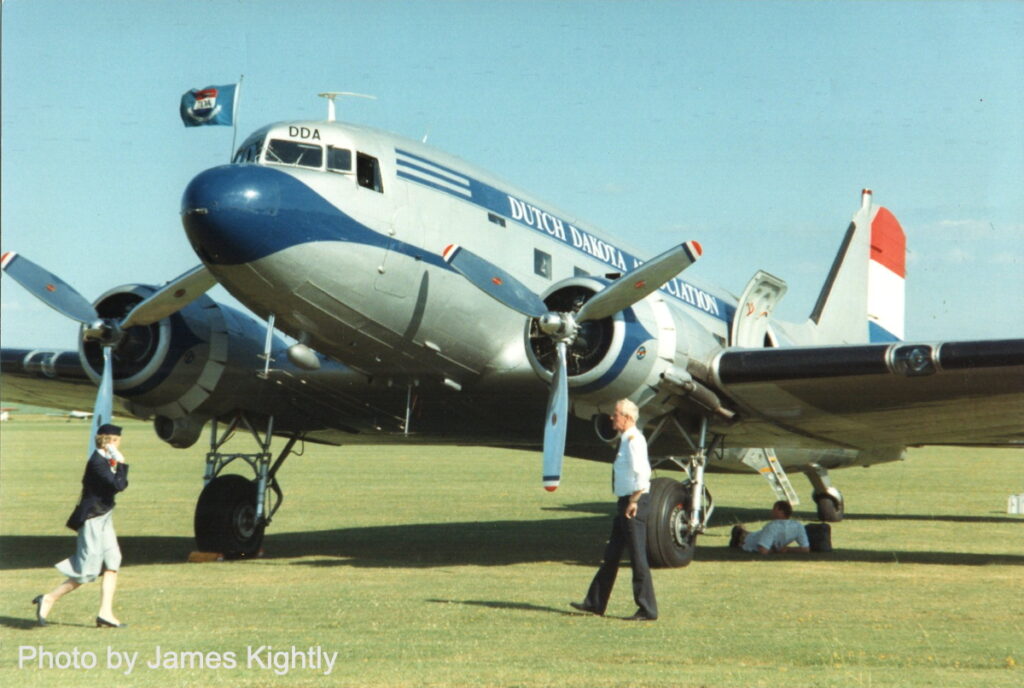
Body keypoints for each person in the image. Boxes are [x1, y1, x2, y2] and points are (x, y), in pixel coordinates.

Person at [32, 423, 130, 628]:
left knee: (113, 561)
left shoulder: (105, 460)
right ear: (110, 441)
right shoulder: (97, 463)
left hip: (104, 516)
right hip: (93, 517)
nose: (118, 443)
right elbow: (118, 485)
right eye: (116, 440)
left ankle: (105, 613)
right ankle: (48, 598)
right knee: (87, 570)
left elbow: (118, 484)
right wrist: (121, 464)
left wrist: (118, 463)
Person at [571, 399, 658, 621]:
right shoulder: (626, 440)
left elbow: (643, 474)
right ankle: (595, 603)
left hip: (633, 503)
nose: (612, 417)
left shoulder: (633, 441)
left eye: (616, 413)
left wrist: (634, 501)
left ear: (628, 417)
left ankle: (647, 609)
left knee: (638, 556)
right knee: (611, 555)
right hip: (625, 502)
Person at [730, 500, 810, 554]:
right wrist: (788, 549)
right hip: (757, 536)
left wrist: (782, 549)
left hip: (751, 540)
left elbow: (763, 550)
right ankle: (740, 531)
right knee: (751, 534)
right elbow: (805, 549)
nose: (772, 511)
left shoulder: (772, 526)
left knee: (745, 536)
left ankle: (739, 533)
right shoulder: (798, 526)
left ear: (780, 512)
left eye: (774, 509)